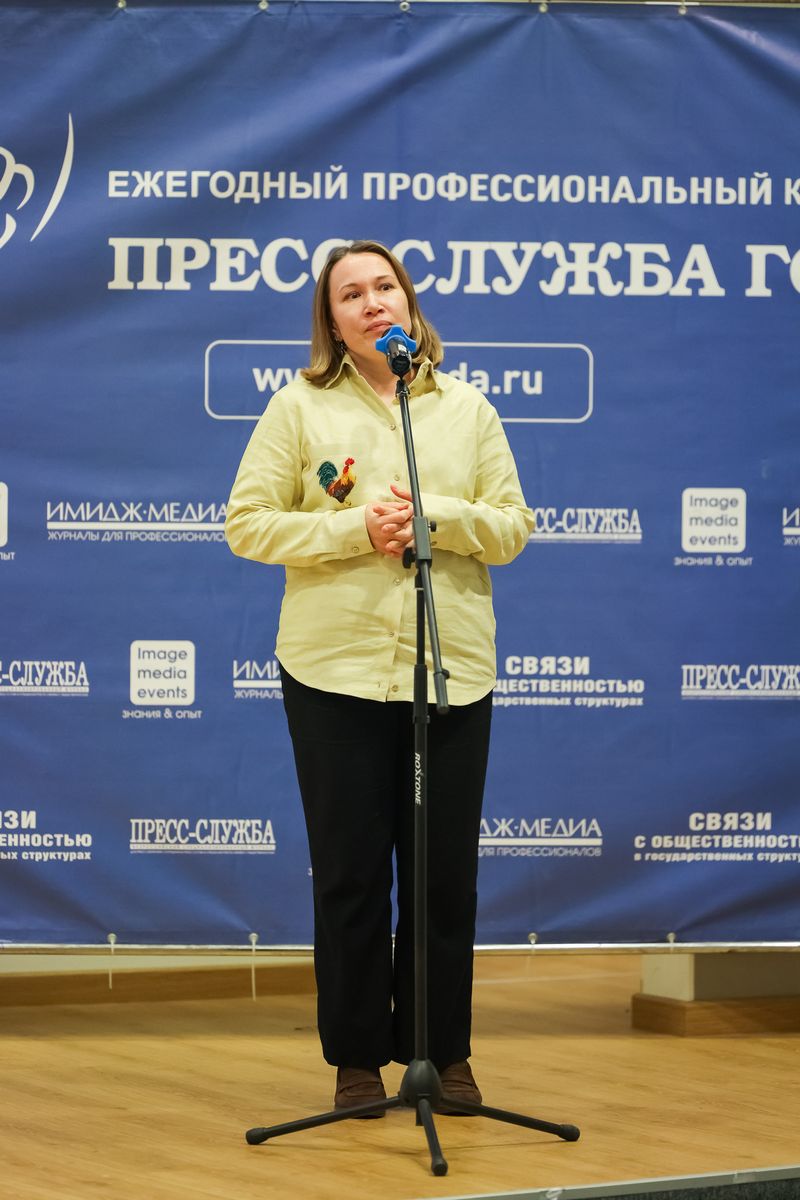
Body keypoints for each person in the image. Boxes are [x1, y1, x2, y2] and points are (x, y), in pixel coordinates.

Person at [225, 240, 534, 1115]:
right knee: (351, 874)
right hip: (334, 672)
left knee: (443, 878)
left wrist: (439, 517)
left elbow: (512, 528)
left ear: (409, 303)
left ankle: (441, 1053)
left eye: (384, 286)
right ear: (331, 322)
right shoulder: (298, 407)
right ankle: (356, 1060)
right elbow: (246, 523)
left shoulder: (467, 410)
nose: (371, 302)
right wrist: (352, 530)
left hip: (449, 671)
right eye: (350, 294)